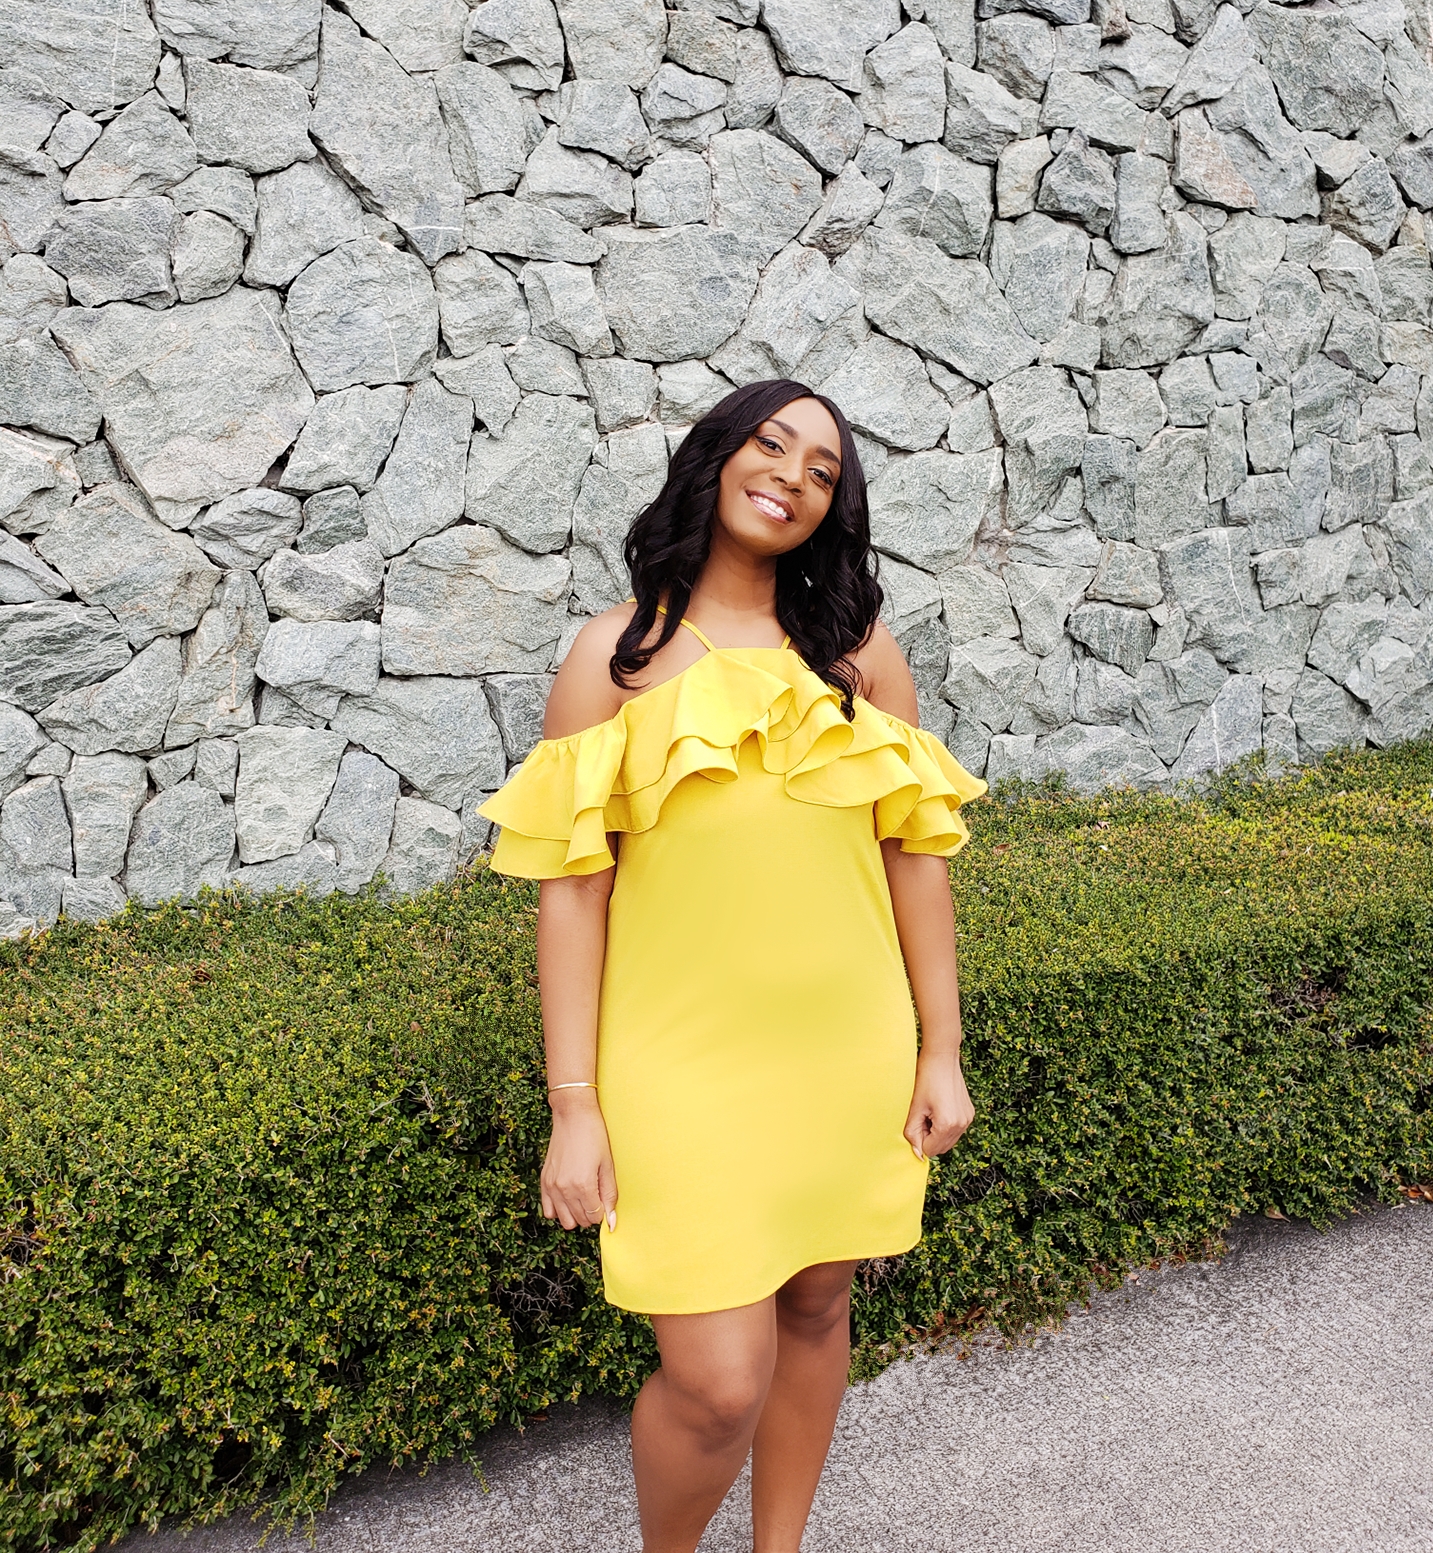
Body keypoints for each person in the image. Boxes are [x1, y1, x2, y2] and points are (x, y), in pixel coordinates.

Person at [480, 379, 986, 1552]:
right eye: (772, 444)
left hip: (843, 1050)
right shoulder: (616, 655)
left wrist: (940, 1049)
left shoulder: (859, 658)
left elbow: (917, 863)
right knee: (714, 1378)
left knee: (817, 1301)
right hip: (679, 1062)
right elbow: (571, 892)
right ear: (713, 458)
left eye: (823, 470)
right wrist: (574, 1107)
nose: (793, 476)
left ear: (834, 508)